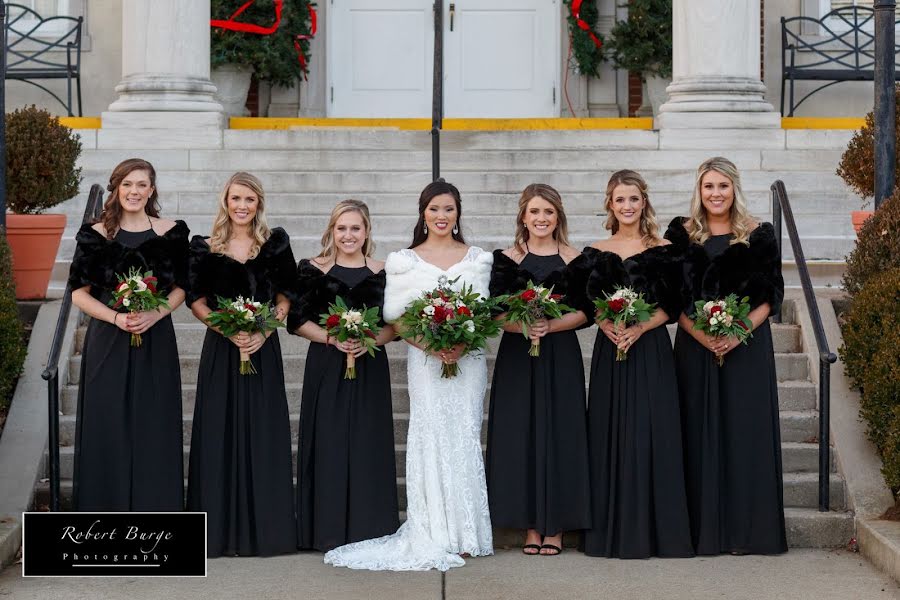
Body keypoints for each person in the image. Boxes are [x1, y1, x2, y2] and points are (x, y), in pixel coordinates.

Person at [324, 181, 494, 571]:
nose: (441, 216)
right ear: (423, 213)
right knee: (430, 437)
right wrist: (434, 347)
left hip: (468, 360)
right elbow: (396, 317)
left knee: (464, 435)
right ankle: (434, 531)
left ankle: (467, 532)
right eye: (434, 209)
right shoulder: (404, 260)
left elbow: (481, 312)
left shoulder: (477, 259)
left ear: (457, 214)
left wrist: (461, 344)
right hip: (425, 359)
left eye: (448, 209)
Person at [667, 156, 787, 555]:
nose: (715, 194)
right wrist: (702, 334)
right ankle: (705, 533)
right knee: (696, 432)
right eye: (708, 187)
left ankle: (746, 533)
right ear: (698, 191)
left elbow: (771, 295)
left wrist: (737, 333)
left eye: (722, 186)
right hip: (693, 347)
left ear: (735, 188)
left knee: (744, 433)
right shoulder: (681, 234)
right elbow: (674, 299)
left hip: (747, 347)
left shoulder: (759, 234)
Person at [580, 170, 693, 559]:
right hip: (610, 351)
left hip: (651, 349)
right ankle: (610, 531)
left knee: (651, 430)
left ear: (644, 202)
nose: (627, 206)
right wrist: (608, 323)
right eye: (619, 199)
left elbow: (676, 304)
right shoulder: (595, 250)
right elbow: (589, 302)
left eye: (633, 198)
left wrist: (641, 327)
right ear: (609, 205)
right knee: (610, 432)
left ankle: (657, 534)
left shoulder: (666, 248)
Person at [185, 172, 297, 557]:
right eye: (236, 198)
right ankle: (215, 533)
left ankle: (266, 532)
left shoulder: (275, 244)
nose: (242, 206)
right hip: (220, 350)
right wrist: (226, 329)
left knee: (262, 433)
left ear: (259, 203)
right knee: (220, 431)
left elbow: (286, 298)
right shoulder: (204, 247)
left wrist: (263, 332)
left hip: (263, 350)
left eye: (249, 199)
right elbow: (196, 300)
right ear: (225, 202)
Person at [68, 158, 188, 511]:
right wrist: (116, 319)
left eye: (141, 185)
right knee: (107, 422)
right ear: (116, 189)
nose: (134, 191)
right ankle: (106, 512)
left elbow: (182, 287)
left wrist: (155, 313)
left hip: (156, 338)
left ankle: (157, 510)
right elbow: (78, 294)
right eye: (127, 185)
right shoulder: (95, 234)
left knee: (154, 422)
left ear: (152, 190)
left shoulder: (172, 231)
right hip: (108, 340)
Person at [486, 183, 592, 556]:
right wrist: (524, 327)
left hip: (560, 353)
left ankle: (557, 525)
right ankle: (531, 524)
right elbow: (496, 313)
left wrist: (550, 326)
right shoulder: (506, 258)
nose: (541, 218)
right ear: (523, 217)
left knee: (560, 431)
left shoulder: (577, 259)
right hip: (518, 355)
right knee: (522, 433)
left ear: (558, 216)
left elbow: (586, 311)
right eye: (534, 212)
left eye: (548, 212)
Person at [290, 199, 399, 552]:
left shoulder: (386, 270)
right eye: (342, 228)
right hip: (326, 365)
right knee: (330, 441)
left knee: (368, 441)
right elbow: (296, 320)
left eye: (355, 228)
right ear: (331, 231)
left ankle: (370, 527)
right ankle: (327, 530)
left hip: (369, 365)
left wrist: (367, 340)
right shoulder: (311, 269)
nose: (348, 235)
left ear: (367, 232)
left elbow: (396, 325)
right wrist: (332, 339)